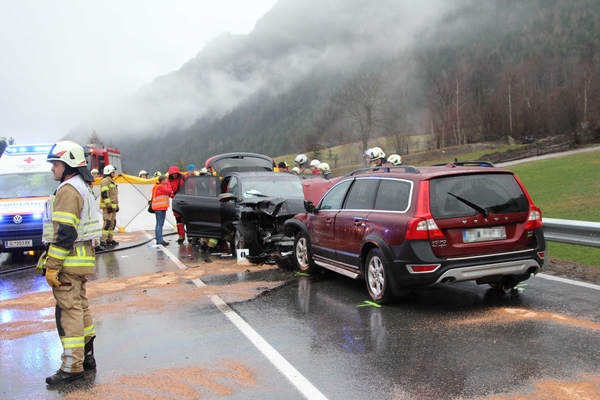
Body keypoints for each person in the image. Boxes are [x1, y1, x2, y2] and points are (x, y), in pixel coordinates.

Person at [36, 140, 102, 384]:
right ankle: (87, 358)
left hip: (68, 260)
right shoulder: (83, 186)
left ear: (69, 164)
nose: (52, 168)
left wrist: (52, 266)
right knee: (80, 307)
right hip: (80, 259)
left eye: (55, 164)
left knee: (69, 312)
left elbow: (65, 233)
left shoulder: (68, 189)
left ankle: (71, 367)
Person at [100, 165, 119, 247]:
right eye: (113, 172)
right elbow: (104, 194)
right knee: (107, 223)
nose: (114, 173)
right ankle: (103, 240)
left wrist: (116, 206)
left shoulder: (112, 181)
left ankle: (109, 239)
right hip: (108, 208)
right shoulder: (105, 181)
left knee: (113, 223)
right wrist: (109, 206)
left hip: (113, 207)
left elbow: (114, 195)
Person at [167, 166, 186, 244]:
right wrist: (171, 195)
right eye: (172, 174)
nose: (174, 175)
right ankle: (181, 236)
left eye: (175, 174)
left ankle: (191, 237)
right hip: (176, 200)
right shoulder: (170, 181)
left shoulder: (183, 178)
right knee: (178, 219)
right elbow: (169, 190)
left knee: (186, 219)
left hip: (184, 200)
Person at [151, 175, 172, 246]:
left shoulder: (157, 186)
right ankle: (159, 240)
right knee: (160, 224)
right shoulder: (160, 186)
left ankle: (158, 239)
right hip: (160, 207)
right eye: (166, 180)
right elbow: (169, 191)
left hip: (158, 207)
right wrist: (169, 184)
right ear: (162, 181)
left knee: (158, 224)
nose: (167, 181)